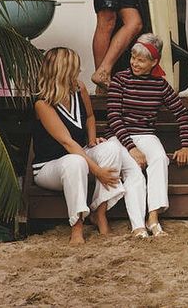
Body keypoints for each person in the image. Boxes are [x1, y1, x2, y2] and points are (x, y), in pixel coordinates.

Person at [32, 47, 124, 245]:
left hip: (80, 155)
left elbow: (90, 117)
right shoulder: (43, 104)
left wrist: (92, 140)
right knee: (75, 162)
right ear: (63, 70)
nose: (79, 70)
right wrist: (98, 171)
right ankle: (77, 225)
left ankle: (100, 212)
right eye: (75, 66)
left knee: (112, 147)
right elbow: (67, 142)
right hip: (50, 167)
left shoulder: (79, 88)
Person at [106, 33, 188, 238]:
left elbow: (181, 113)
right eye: (133, 57)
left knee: (160, 159)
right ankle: (137, 225)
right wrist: (131, 148)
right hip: (119, 137)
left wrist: (186, 144)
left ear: (154, 61)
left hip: (146, 135)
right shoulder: (120, 80)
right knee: (134, 172)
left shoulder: (160, 85)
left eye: (141, 60)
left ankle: (153, 218)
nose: (135, 63)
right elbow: (114, 117)